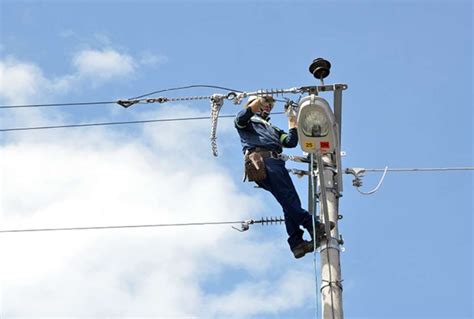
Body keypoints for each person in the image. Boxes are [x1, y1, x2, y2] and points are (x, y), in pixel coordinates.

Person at [235, 95, 327, 259]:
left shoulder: (272, 128)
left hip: (274, 163)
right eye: (265, 104)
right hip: (263, 161)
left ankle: (297, 243)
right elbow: (243, 117)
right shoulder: (247, 121)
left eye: (270, 105)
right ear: (254, 104)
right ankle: (311, 224)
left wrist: (292, 118)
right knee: (289, 199)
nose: (268, 106)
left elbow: (290, 142)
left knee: (289, 201)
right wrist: (259, 100)